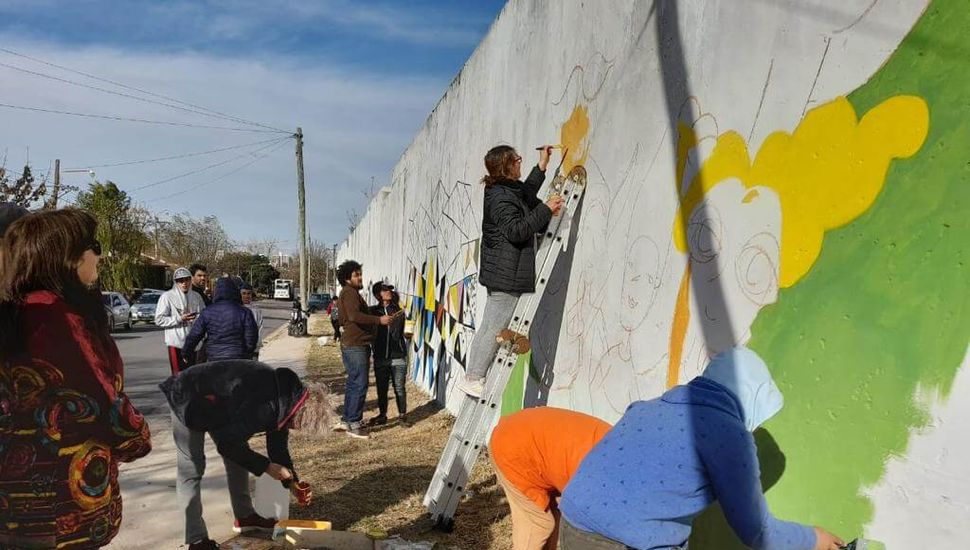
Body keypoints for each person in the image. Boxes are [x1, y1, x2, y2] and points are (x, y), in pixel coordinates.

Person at [558, 347, 845, 550]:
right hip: (618, 540)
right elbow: (758, 532)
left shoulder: (651, 407)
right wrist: (813, 540)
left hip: (573, 518)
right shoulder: (730, 436)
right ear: (751, 400)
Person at [0, 209, 152, 549]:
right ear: (68, 255)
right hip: (63, 500)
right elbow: (99, 401)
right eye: (93, 245)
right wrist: (137, 438)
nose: (100, 255)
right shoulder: (57, 314)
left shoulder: (17, 307)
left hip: (16, 500)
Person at [160, 361, 333, 549]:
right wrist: (267, 467)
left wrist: (292, 483)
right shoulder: (265, 405)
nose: (297, 429)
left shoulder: (287, 399)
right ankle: (197, 539)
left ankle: (244, 517)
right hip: (188, 395)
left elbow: (277, 448)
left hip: (219, 405)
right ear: (301, 416)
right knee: (191, 469)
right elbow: (227, 445)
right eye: (301, 427)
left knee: (239, 456)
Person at [457, 145, 565, 398]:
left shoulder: (507, 189)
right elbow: (516, 230)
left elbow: (526, 193)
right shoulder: (499, 196)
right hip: (505, 273)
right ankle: (473, 376)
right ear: (506, 166)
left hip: (508, 270)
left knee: (493, 325)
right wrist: (545, 209)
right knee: (494, 326)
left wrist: (541, 166)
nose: (520, 161)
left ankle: (475, 373)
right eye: (516, 159)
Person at [489, 407, 611, 550]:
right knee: (538, 524)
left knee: (557, 512)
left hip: (539, 440)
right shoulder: (607, 480)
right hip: (515, 446)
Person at [334, 260, 396, 439]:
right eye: (356, 275)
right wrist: (379, 320)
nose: (360, 277)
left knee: (354, 382)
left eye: (360, 273)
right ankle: (354, 423)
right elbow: (354, 316)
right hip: (356, 345)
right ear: (347, 278)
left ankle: (348, 419)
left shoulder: (348, 293)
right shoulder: (350, 292)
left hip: (354, 344)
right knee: (360, 384)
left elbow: (353, 314)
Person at [182, 277, 259, 365]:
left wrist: (186, 352)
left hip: (214, 357)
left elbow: (194, 335)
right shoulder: (245, 312)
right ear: (235, 292)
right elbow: (251, 337)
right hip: (238, 357)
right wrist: (247, 352)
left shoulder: (208, 312)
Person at [368, 282, 409, 426]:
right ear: (378, 294)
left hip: (398, 355)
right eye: (385, 290)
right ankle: (382, 415)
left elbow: (404, 331)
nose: (389, 292)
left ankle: (402, 416)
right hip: (380, 356)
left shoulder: (398, 310)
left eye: (390, 290)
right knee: (382, 388)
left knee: (399, 387)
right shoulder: (373, 312)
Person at [155, 266, 207, 375]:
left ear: (190, 280)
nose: (184, 283)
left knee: (194, 376)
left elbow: (204, 316)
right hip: (176, 343)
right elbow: (159, 320)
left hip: (194, 344)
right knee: (178, 376)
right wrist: (179, 318)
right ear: (176, 282)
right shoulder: (167, 297)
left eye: (186, 279)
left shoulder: (197, 297)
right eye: (180, 280)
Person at [240, 281, 263, 359]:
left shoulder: (256, 311)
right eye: (244, 293)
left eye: (248, 293)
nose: (246, 296)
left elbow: (259, 329)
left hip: (252, 351)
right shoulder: (235, 309)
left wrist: (256, 349)